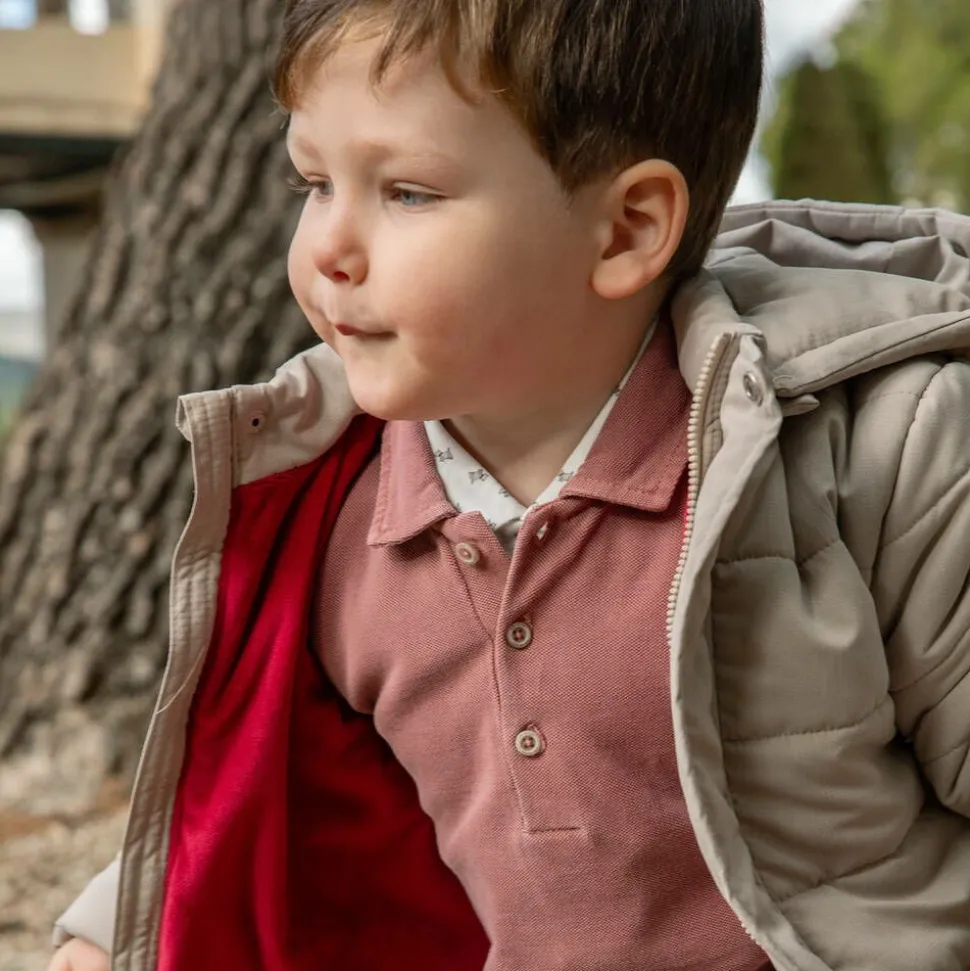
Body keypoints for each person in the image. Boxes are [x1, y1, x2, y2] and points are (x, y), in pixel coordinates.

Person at [46, 0, 970, 968]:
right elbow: (277, 786)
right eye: (314, 182)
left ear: (624, 230)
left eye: (405, 191)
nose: (328, 250)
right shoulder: (338, 523)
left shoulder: (876, 455)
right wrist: (119, 925)